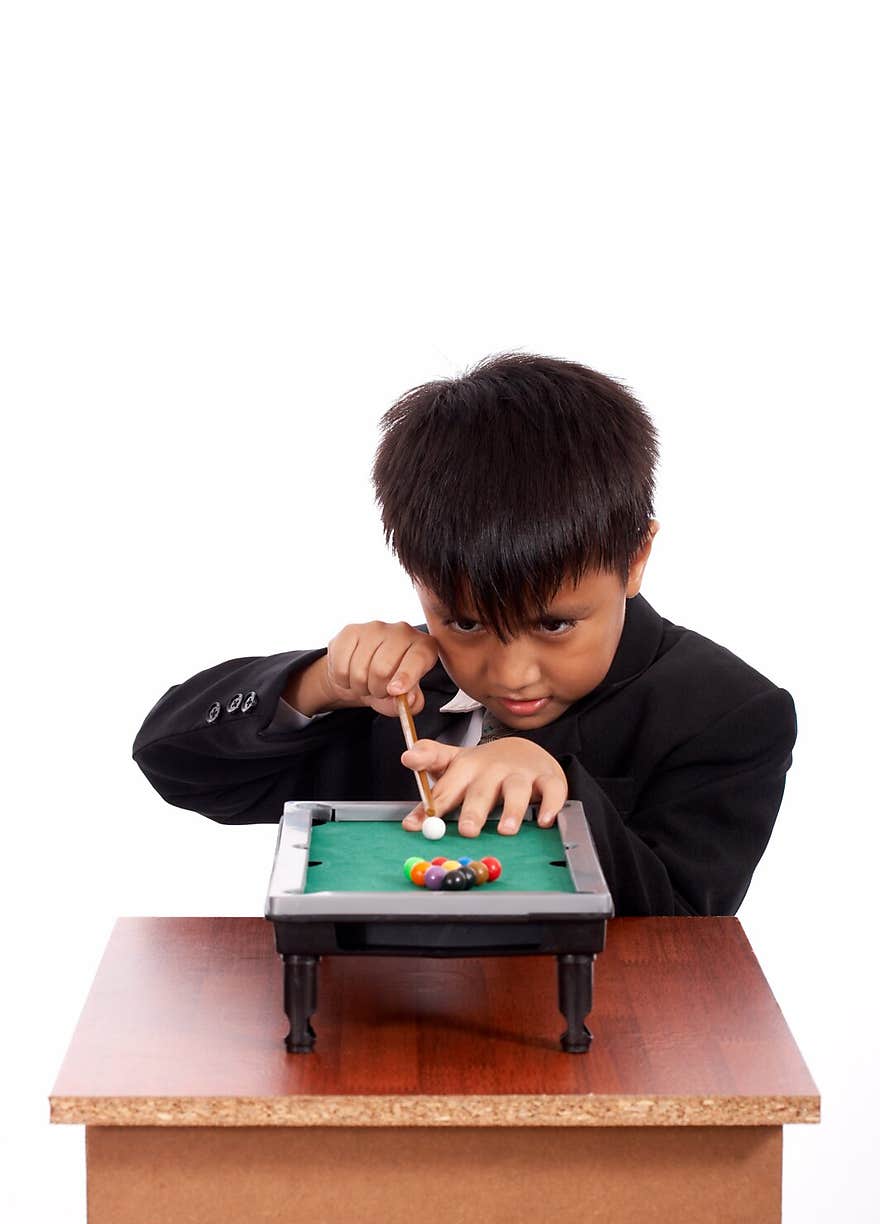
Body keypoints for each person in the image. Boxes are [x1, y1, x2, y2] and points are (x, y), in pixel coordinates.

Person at [132, 351, 796, 916]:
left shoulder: (729, 713)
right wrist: (318, 685)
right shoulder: (398, 688)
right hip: (373, 1035)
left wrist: (555, 789)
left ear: (637, 558)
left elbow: (687, 943)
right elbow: (174, 765)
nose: (509, 673)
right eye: (467, 621)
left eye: (555, 623)